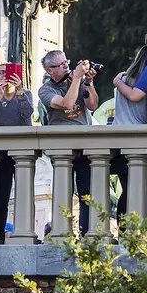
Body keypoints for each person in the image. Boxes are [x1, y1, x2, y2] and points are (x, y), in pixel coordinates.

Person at [37, 50, 97, 235]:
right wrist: (78, 78)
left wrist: (88, 82)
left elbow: (93, 105)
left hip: (85, 144)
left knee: (87, 192)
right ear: (50, 70)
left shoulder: (77, 81)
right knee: (64, 192)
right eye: (61, 65)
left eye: (66, 62)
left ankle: (87, 233)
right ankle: (63, 233)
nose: (66, 67)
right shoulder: (46, 90)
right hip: (62, 149)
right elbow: (67, 104)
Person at [0, 62, 34, 239]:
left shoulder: (25, 94)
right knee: (0, 195)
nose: (4, 76)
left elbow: (27, 112)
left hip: (23, 151)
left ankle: (26, 232)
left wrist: (20, 91)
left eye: (7, 72)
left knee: (25, 193)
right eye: (0, 72)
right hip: (1, 152)